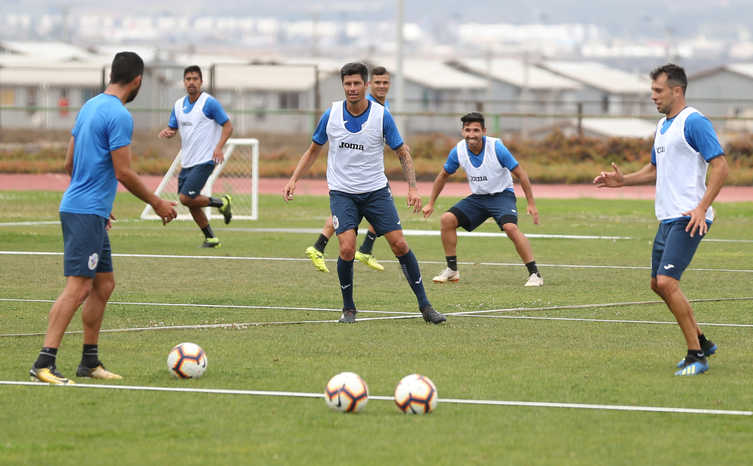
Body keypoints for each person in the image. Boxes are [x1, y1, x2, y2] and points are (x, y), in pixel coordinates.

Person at [29, 52, 178, 384]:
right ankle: (44, 362)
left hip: (86, 207)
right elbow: (123, 172)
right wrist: (156, 202)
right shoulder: (120, 115)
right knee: (79, 286)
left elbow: (70, 163)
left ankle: (89, 362)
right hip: (85, 211)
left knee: (104, 284)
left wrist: (96, 198)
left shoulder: (89, 106)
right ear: (137, 81)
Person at [284, 62, 445, 324]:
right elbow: (313, 149)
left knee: (400, 244)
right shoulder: (332, 114)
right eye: (347, 84)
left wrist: (413, 187)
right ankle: (348, 309)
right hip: (342, 193)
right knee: (347, 249)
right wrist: (293, 179)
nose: (352, 88)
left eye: (357, 83)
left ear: (366, 85)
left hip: (376, 192)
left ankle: (426, 306)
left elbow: (402, 152)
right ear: (343, 85)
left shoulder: (381, 116)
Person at [593, 63, 728, 376]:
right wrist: (623, 180)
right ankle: (703, 342)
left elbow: (720, 166)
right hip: (667, 218)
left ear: (676, 90)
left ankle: (697, 356)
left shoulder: (694, 122)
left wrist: (701, 207)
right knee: (657, 284)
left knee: (668, 282)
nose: (653, 96)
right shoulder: (663, 126)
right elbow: (653, 169)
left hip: (689, 218)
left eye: (658, 90)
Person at [422, 112, 543, 287]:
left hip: (502, 195)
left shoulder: (497, 147)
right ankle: (452, 270)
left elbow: (521, 175)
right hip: (478, 199)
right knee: (447, 219)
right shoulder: (458, 150)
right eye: (467, 130)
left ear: (484, 131)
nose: (471, 134)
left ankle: (535, 274)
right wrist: (430, 202)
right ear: (462, 132)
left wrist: (531, 203)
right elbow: (443, 176)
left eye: (476, 130)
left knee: (510, 227)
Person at [304, 66, 393, 273]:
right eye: (378, 82)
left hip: (369, 172)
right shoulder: (363, 106)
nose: (382, 86)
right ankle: (361, 249)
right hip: (351, 175)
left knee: (353, 213)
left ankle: (322, 247)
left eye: (385, 83)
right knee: (372, 209)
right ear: (369, 85)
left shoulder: (383, 107)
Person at [159, 65, 234, 248]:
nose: (191, 82)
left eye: (195, 79)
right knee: (191, 202)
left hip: (206, 159)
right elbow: (174, 126)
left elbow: (228, 126)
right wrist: (170, 132)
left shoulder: (209, 103)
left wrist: (218, 148)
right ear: (184, 82)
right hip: (188, 161)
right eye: (188, 79)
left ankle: (221, 202)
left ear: (201, 82)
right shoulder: (178, 105)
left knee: (185, 198)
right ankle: (211, 238)